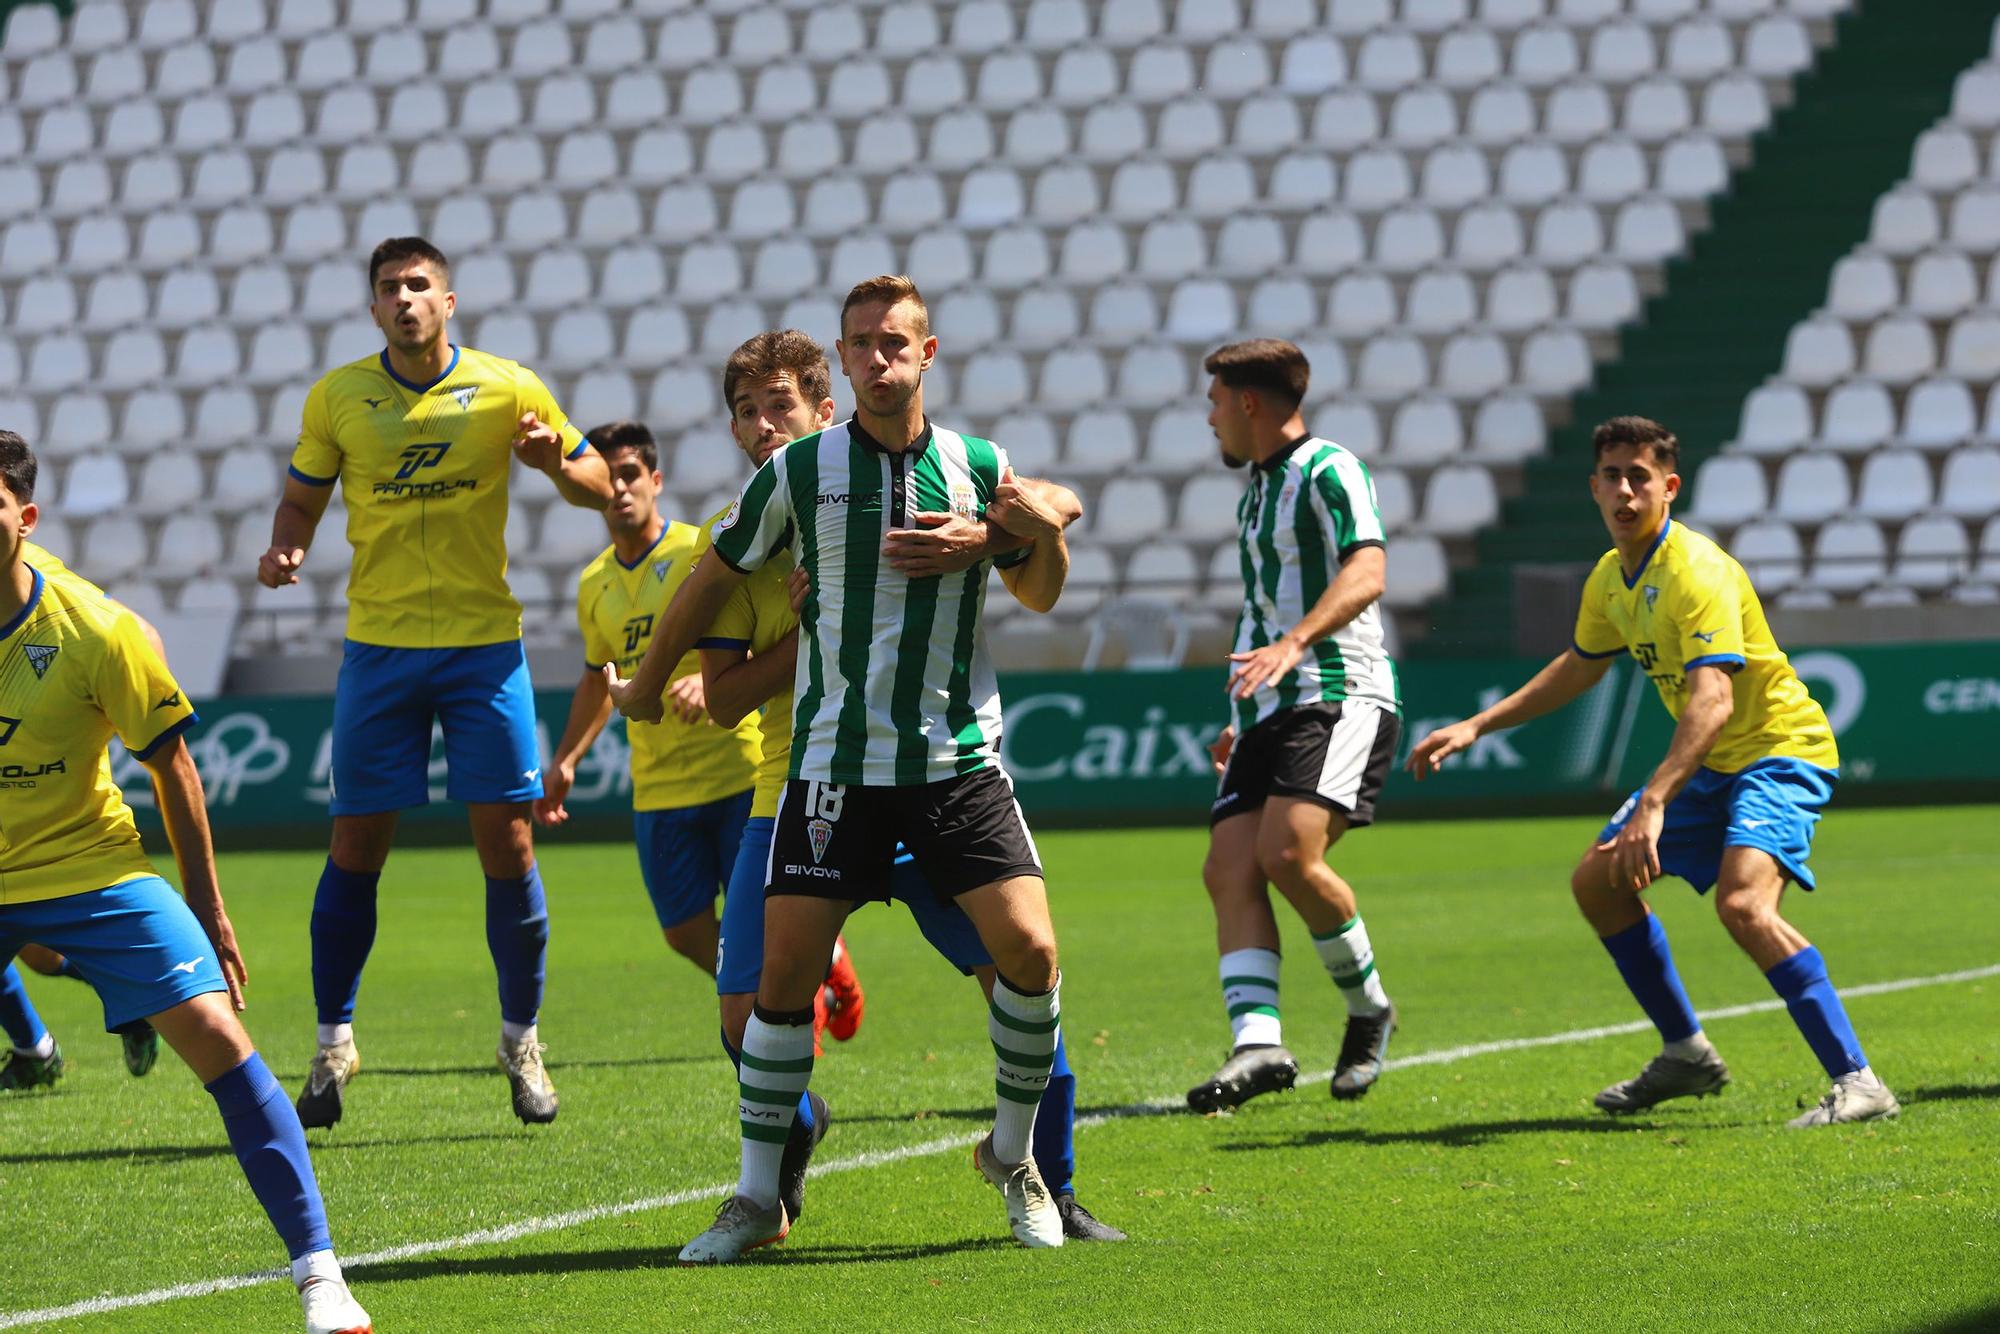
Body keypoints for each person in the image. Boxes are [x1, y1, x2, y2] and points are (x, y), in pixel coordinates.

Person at [608, 279, 1080, 1262]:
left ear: (926, 351)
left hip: (951, 764)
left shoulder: (974, 463)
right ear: (845, 355)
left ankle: (1017, 1160)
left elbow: (1040, 580)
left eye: (892, 342)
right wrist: (648, 681)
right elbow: (709, 579)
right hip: (828, 771)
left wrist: (1004, 535)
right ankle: (750, 1198)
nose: (877, 357)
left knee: (1029, 957)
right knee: (777, 982)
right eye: (860, 342)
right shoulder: (795, 477)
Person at [1406, 416, 1898, 1127]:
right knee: (1597, 884)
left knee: (1744, 906)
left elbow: (1715, 698)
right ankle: (1687, 1054)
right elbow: (1580, 666)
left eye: (1640, 477)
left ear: (1669, 487)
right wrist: (1479, 723)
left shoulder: (1696, 571)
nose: (1625, 490)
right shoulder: (1611, 578)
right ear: (1594, 488)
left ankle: (1859, 1082)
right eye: (1612, 476)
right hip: (1715, 759)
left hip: (1778, 749)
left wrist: (1654, 802)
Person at [0, 429, 371, 1333]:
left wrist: (207, 911)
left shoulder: (96, 631)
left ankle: (321, 1277)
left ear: (26, 519)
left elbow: (175, 771)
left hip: (86, 866)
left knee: (215, 1028)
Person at [257, 235, 611, 1129]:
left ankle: (520, 1041)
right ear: (372, 309)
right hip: (378, 652)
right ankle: (334, 1042)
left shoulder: (507, 387)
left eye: (420, 285)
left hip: (483, 650)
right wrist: (288, 542)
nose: (406, 299)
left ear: (448, 303)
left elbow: (599, 482)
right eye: (389, 288)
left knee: (512, 845)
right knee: (354, 847)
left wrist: (552, 464)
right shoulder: (338, 397)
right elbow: (302, 494)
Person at [1188, 339, 1403, 1115]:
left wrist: (1295, 643)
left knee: (1287, 854)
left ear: (1249, 403)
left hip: (1338, 693)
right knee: (1228, 868)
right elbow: (1263, 608)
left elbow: (1369, 569)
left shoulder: (1329, 468)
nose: (1210, 418)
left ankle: (1370, 1007)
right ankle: (1259, 1043)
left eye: (1215, 402)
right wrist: (1237, 717)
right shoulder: (1258, 489)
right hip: (1272, 706)